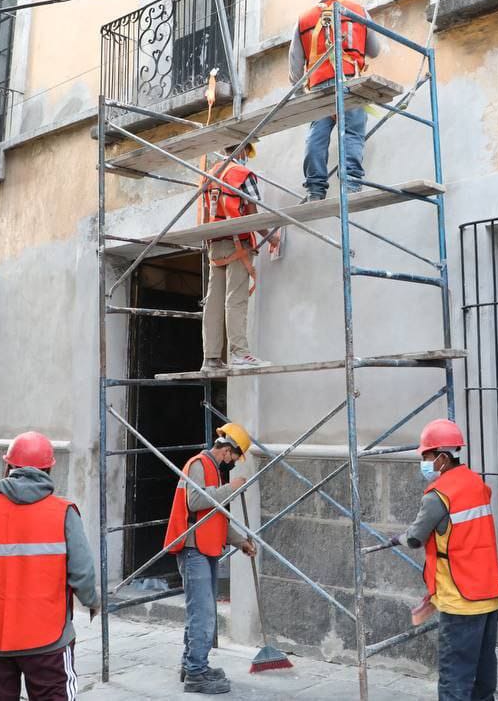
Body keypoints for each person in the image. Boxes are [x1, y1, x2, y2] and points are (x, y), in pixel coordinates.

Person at [0, 431, 98, 701]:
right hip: (47, 638)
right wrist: (93, 601)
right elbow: (82, 571)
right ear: (49, 468)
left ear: (8, 467)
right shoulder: (63, 512)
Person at [386, 419, 498, 701]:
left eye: (426, 457)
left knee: (454, 679)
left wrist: (398, 538)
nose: (424, 463)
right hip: (489, 592)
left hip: (461, 598)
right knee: (483, 675)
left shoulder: (439, 496)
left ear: (442, 457)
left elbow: (416, 538)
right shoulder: (476, 483)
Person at [163, 423, 257, 695]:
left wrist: (241, 542)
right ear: (228, 450)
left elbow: (215, 516)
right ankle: (196, 673)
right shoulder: (198, 464)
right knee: (202, 613)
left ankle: (191, 664)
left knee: (202, 612)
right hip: (193, 549)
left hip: (207, 547)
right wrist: (233, 488)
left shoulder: (213, 470)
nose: (232, 462)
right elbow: (195, 502)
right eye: (233, 457)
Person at [289, 0, 383, 202]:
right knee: (351, 133)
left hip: (319, 85)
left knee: (317, 136)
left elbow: (295, 63)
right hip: (349, 81)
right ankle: (351, 184)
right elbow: (374, 51)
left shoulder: (304, 19)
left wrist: (301, 94)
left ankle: (315, 189)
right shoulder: (358, 11)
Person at [199, 148, 279, 372]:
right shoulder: (243, 174)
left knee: (213, 302)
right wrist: (272, 237)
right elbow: (252, 217)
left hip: (215, 244)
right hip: (238, 243)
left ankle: (211, 359)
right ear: (243, 149)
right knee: (236, 299)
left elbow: (205, 210)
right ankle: (240, 354)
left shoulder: (210, 173)